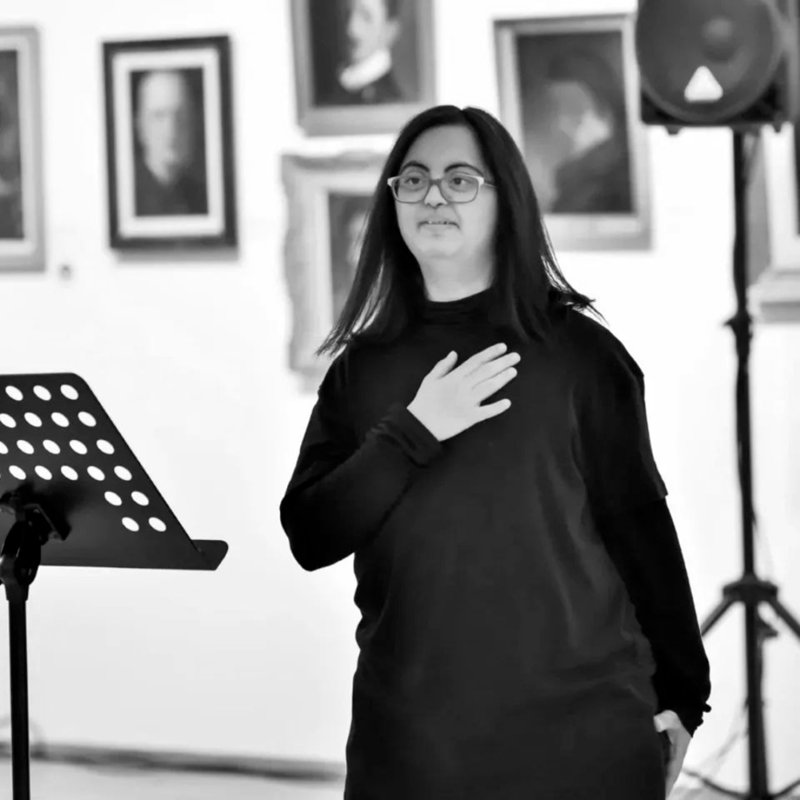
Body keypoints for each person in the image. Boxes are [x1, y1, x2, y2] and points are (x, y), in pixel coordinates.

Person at [279, 104, 711, 799]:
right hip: (412, 741)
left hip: (583, 734)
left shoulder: (580, 356)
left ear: (505, 199)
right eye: (412, 181)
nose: (433, 197)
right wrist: (413, 431)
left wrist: (686, 699)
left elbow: (639, 529)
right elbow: (311, 532)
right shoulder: (362, 369)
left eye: (460, 180)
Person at [544, 49, 633, 215]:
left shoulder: (623, 184)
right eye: (557, 108)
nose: (561, 123)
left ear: (607, 111)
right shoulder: (571, 180)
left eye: (573, 108)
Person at [132, 69, 207, 216]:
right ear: (140, 126)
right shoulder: (128, 196)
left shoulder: (203, 198)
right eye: (159, 116)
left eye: (180, 116)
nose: (171, 130)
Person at [323, 0, 404, 105]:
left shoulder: (387, 102)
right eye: (347, 13)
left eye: (366, 17)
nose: (351, 29)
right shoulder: (336, 87)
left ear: (390, 30)